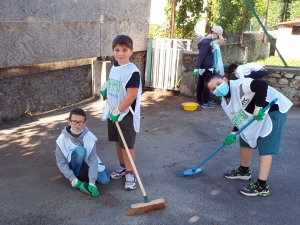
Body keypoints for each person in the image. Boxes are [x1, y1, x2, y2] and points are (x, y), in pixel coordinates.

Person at [205, 73, 292, 196]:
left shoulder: (240, 85)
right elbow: (239, 120)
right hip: (256, 114)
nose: (217, 88)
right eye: (213, 89)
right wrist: (233, 134)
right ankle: (244, 171)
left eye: (219, 84)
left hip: (273, 110)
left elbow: (262, 84)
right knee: (244, 136)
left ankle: (262, 186)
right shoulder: (225, 101)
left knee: (265, 145)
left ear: (225, 79)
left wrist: (258, 107)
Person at [100, 35, 142, 190]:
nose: (120, 53)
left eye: (125, 50)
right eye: (117, 50)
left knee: (127, 145)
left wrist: (119, 110)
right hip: (113, 111)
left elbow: (131, 96)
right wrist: (105, 88)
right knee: (118, 142)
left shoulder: (133, 72)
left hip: (126, 114)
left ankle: (130, 173)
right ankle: (123, 166)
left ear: (131, 51)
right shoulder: (115, 65)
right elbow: (114, 82)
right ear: (113, 51)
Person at [55, 108, 110, 198]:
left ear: (85, 123)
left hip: (87, 161)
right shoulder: (61, 139)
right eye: (74, 121)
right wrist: (71, 177)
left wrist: (92, 182)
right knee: (80, 150)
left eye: (80, 122)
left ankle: (87, 172)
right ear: (69, 122)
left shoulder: (90, 137)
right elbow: (61, 162)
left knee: (105, 180)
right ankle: (76, 177)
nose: (77, 125)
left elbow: (93, 159)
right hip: (73, 163)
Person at [193, 26, 224, 108]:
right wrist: (196, 67)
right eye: (218, 36)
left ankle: (199, 101)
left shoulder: (207, 41)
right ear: (215, 33)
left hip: (205, 67)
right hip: (206, 67)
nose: (217, 38)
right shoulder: (206, 42)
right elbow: (201, 55)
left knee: (201, 84)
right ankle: (205, 102)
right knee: (207, 85)